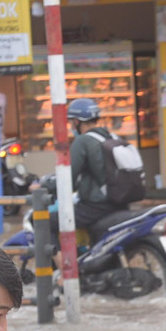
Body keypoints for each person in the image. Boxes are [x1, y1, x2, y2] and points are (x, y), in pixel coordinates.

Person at [67, 97, 122, 235]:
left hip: (95, 207)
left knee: (50, 222)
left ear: (77, 121)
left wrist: (47, 186)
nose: (72, 127)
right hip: (120, 202)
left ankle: (64, 258)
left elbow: (68, 179)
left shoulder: (82, 141)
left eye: (71, 122)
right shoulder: (113, 137)